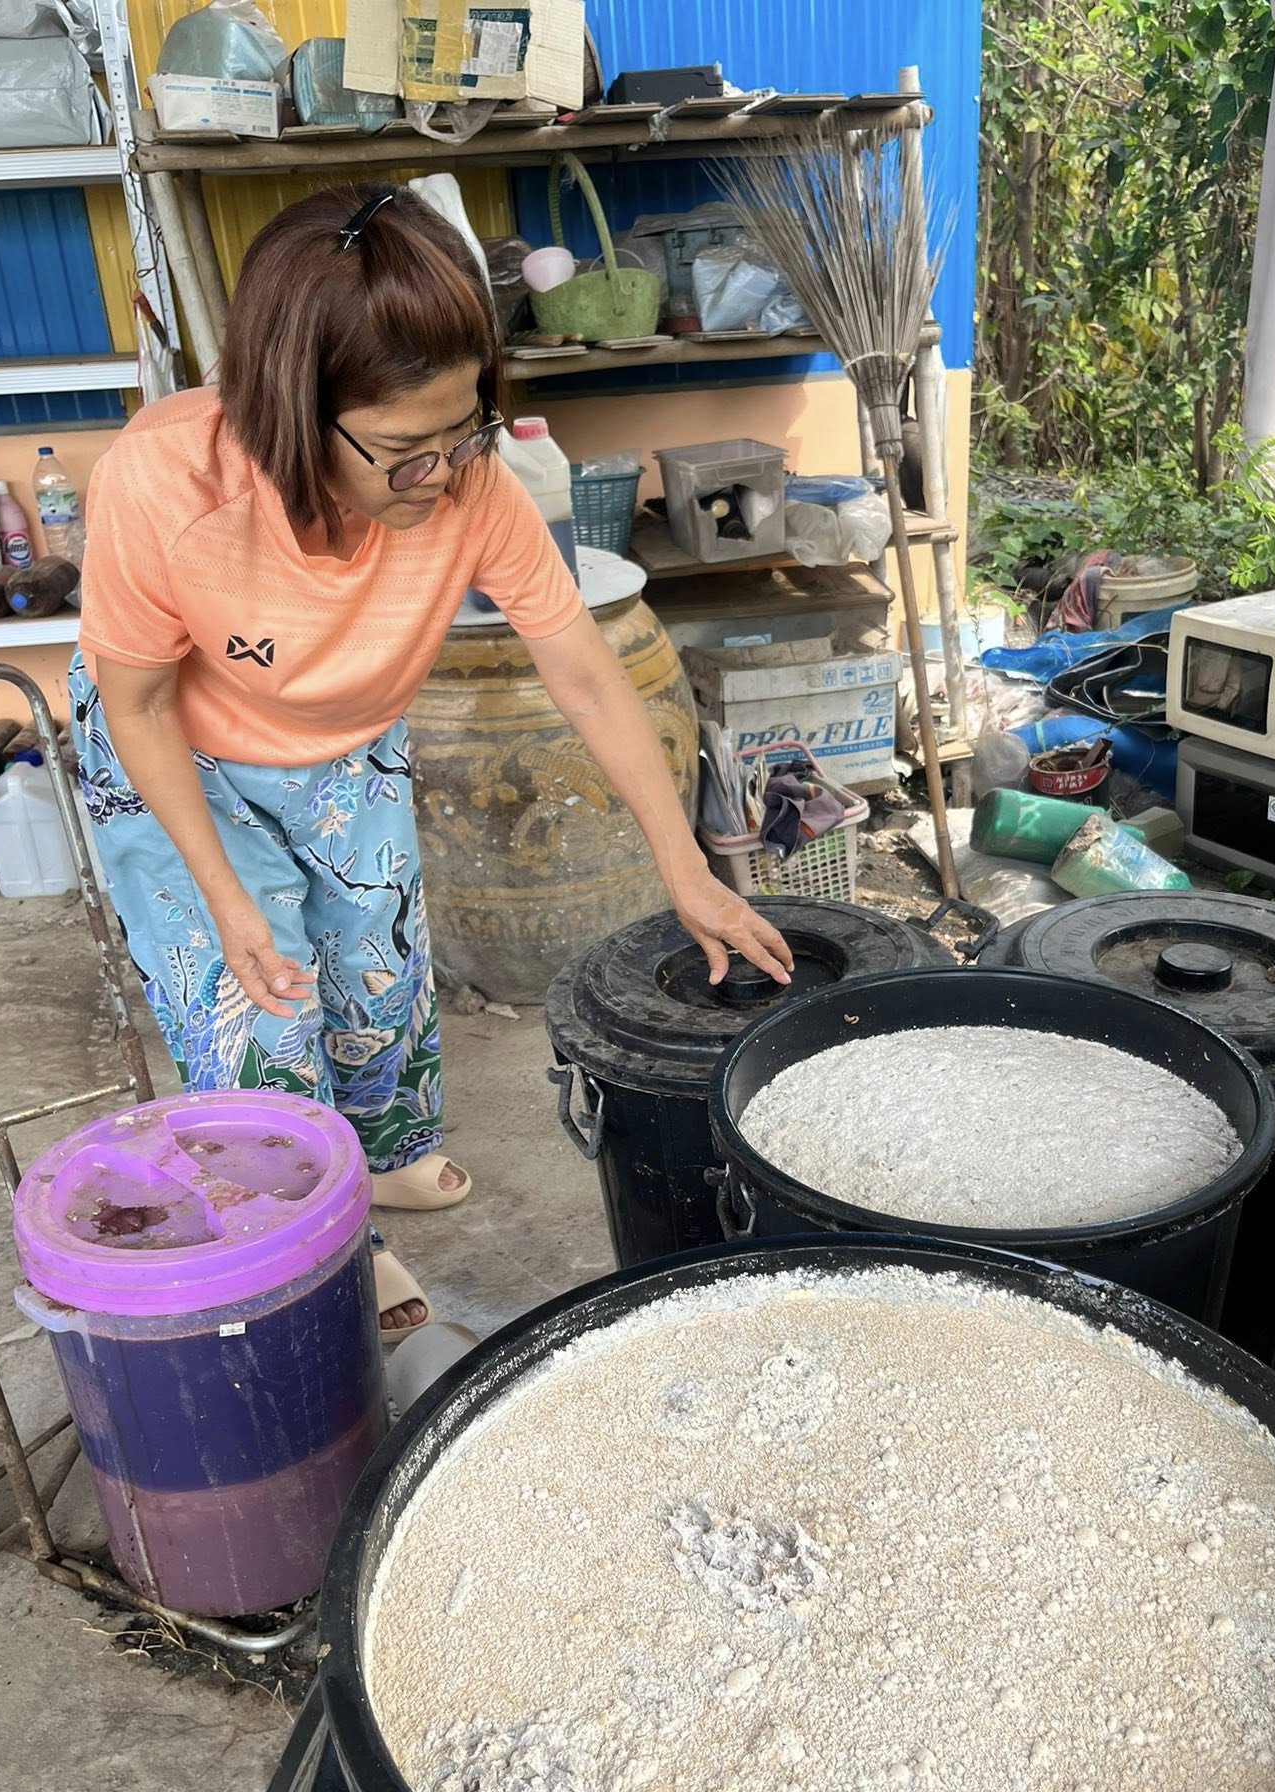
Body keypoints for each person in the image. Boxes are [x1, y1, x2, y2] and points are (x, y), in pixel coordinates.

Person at [72, 183, 791, 1339]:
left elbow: (585, 671)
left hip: (340, 736)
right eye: (405, 449)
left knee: (374, 962)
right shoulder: (166, 481)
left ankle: (382, 1154)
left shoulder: (469, 485)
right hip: (178, 754)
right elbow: (139, 701)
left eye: (464, 431)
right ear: (291, 413)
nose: (442, 475)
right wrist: (222, 894)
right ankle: (323, 1236)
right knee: (261, 1003)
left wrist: (685, 862)